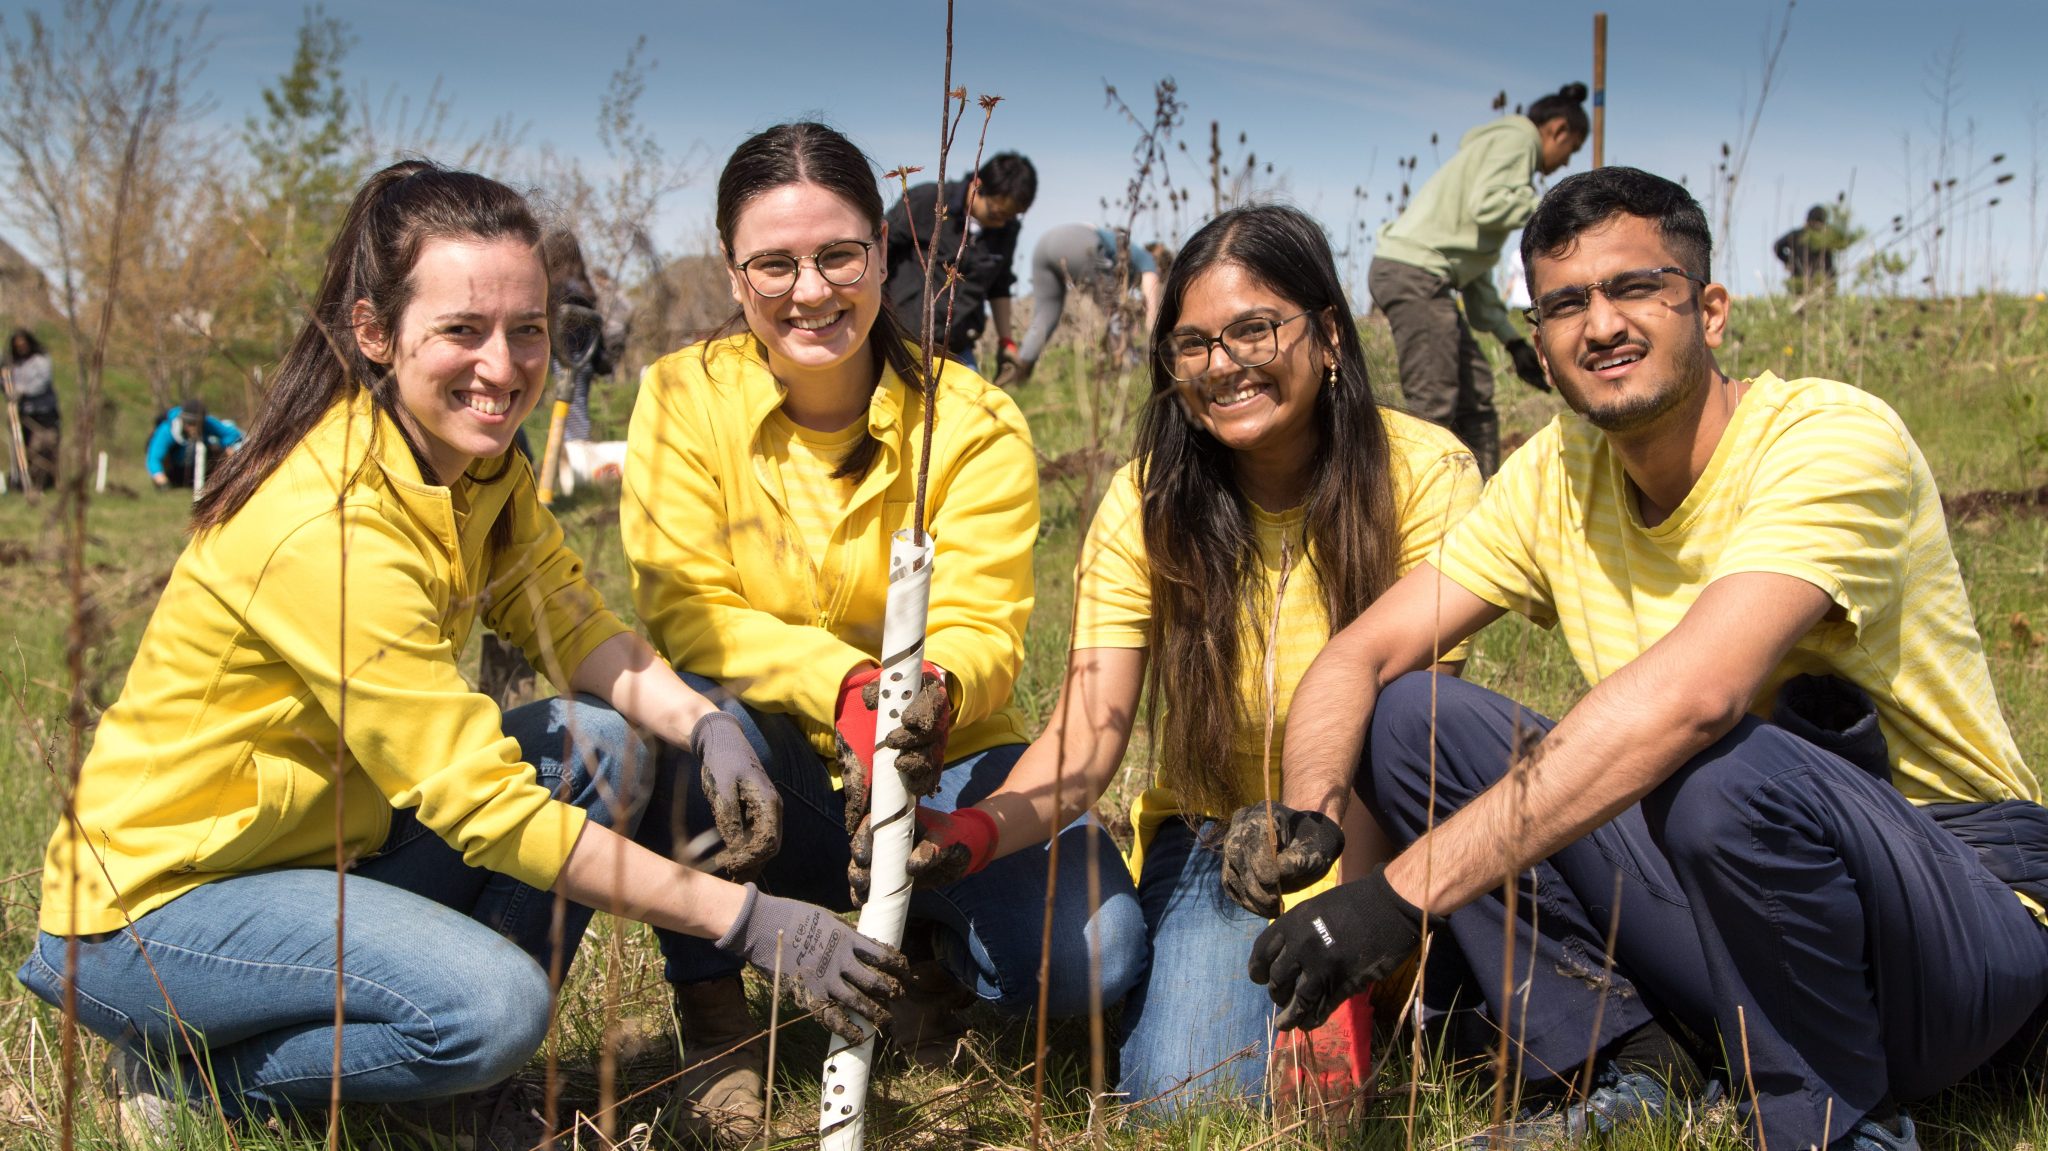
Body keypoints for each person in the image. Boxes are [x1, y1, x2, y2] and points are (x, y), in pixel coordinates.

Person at [18, 160, 906, 1147]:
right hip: (157, 911)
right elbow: (480, 804)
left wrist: (705, 725)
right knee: (491, 1010)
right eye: (460, 330)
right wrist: (748, 921)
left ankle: (456, 1089)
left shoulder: (479, 466)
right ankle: (207, 1078)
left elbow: (571, 625)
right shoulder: (328, 526)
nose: (504, 363)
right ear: (372, 332)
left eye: (527, 329)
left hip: (330, 854)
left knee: (598, 740)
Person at [1235, 167, 2048, 1151]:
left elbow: (1697, 695)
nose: (1599, 325)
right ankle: (1630, 1061)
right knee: (1415, 717)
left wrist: (1403, 893)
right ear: (1537, 341)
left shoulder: (1827, 437)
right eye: (1565, 303)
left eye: (1633, 288)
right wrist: (1313, 815)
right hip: (1732, 915)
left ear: (1707, 308)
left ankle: (1834, 1117)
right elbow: (1360, 653)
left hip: (1958, 920)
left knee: (1715, 764)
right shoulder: (1555, 473)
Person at [621, 122, 1142, 1144]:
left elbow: (985, 623)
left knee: (1094, 956)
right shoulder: (682, 398)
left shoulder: (976, 423)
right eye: (773, 262)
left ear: (881, 253)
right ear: (734, 274)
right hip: (767, 770)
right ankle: (717, 1014)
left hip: (936, 758)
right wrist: (845, 682)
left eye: (837, 255)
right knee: (673, 711)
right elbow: (683, 603)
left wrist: (928, 691)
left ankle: (921, 953)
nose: (810, 290)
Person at [912, 203, 1478, 1117]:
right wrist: (973, 834)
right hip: (1224, 840)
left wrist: (1346, 913)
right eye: (1192, 344)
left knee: (1444, 1042)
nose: (1223, 364)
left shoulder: (1426, 473)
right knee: (1187, 1102)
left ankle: (1397, 982)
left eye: (1254, 328)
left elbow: (1421, 718)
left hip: (1388, 835)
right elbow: (1085, 742)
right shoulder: (1148, 499)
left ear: (1328, 334)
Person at [1368, 83, 1590, 475]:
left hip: (1428, 276)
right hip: (1414, 273)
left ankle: (1483, 502)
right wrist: (1552, 208)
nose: (1563, 164)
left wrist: (1513, 342)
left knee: (1477, 396)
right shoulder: (1518, 141)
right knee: (1432, 404)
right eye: (1569, 150)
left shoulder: (1496, 156)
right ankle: (1417, 507)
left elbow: (1475, 280)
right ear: (1557, 130)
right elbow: (1488, 206)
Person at [882, 150, 1037, 371]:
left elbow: (999, 286)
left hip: (956, 349)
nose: (1002, 224)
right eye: (996, 214)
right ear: (978, 185)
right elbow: (878, 250)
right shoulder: (927, 202)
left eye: (1010, 217)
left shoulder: (1007, 231)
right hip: (900, 341)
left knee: (976, 404)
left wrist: (1006, 341)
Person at [1008, 223, 1164, 385]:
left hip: (1045, 244)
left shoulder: (1122, 249)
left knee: (1045, 317)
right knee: (1115, 309)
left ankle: (1017, 378)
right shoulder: (1147, 259)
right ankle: (1125, 365)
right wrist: (1154, 331)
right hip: (1079, 242)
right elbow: (1151, 290)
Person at [146, 398, 244, 490]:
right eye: (189, 422)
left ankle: (223, 478)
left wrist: (221, 445)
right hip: (173, 467)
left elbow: (233, 434)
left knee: (225, 449)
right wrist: (160, 478)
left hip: (200, 465)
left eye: (195, 423)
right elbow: (154, 458)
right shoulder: (167, 430)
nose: (192, 427)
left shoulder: (207, 423)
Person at [6, 327, 58, 492]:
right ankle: (21, 481)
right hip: (22, 413)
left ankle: (43, 483)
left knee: (41, 448)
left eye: (23, 344)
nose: (21, 348)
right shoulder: (13, 363)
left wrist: (22, 391)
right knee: (22, 449)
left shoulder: (40, 360)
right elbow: (6, 382)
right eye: (17, 346)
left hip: (44, 413)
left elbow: (42, 382)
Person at [1775, 204, 1840, 295]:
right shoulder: (1825, 238)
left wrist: (1789, 262)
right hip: (1816, 284)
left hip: (1803, 282)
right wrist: (1789, 261)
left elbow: (1777, 246)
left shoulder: (1797, 235)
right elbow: (1777, 246)